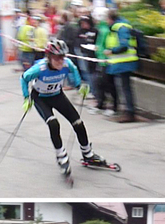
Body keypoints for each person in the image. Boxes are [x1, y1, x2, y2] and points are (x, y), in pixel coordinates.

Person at [21, 39, 106, 178]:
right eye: (56, 58)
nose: (60, 61)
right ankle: (61, 156)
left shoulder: (67, 64)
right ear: (49, 57)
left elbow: (74, 70)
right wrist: (26, 98)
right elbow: (24, 78)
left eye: (62, 57)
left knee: (78, 123)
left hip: (57, 95)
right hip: (40, 98)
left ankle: (88, 154)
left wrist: (79, 86)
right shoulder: (40, 69)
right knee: (53, 124)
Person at [104, 9, 138, 123]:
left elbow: (124, 46)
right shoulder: (118, 27)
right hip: (122, 63)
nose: (106, 21)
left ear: (110, 18)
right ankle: (128, 111)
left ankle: (130, 112)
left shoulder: (120, 28)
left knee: (125, 87)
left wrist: (111, 51)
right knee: (124, 87)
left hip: (125, 62)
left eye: (106, 19)